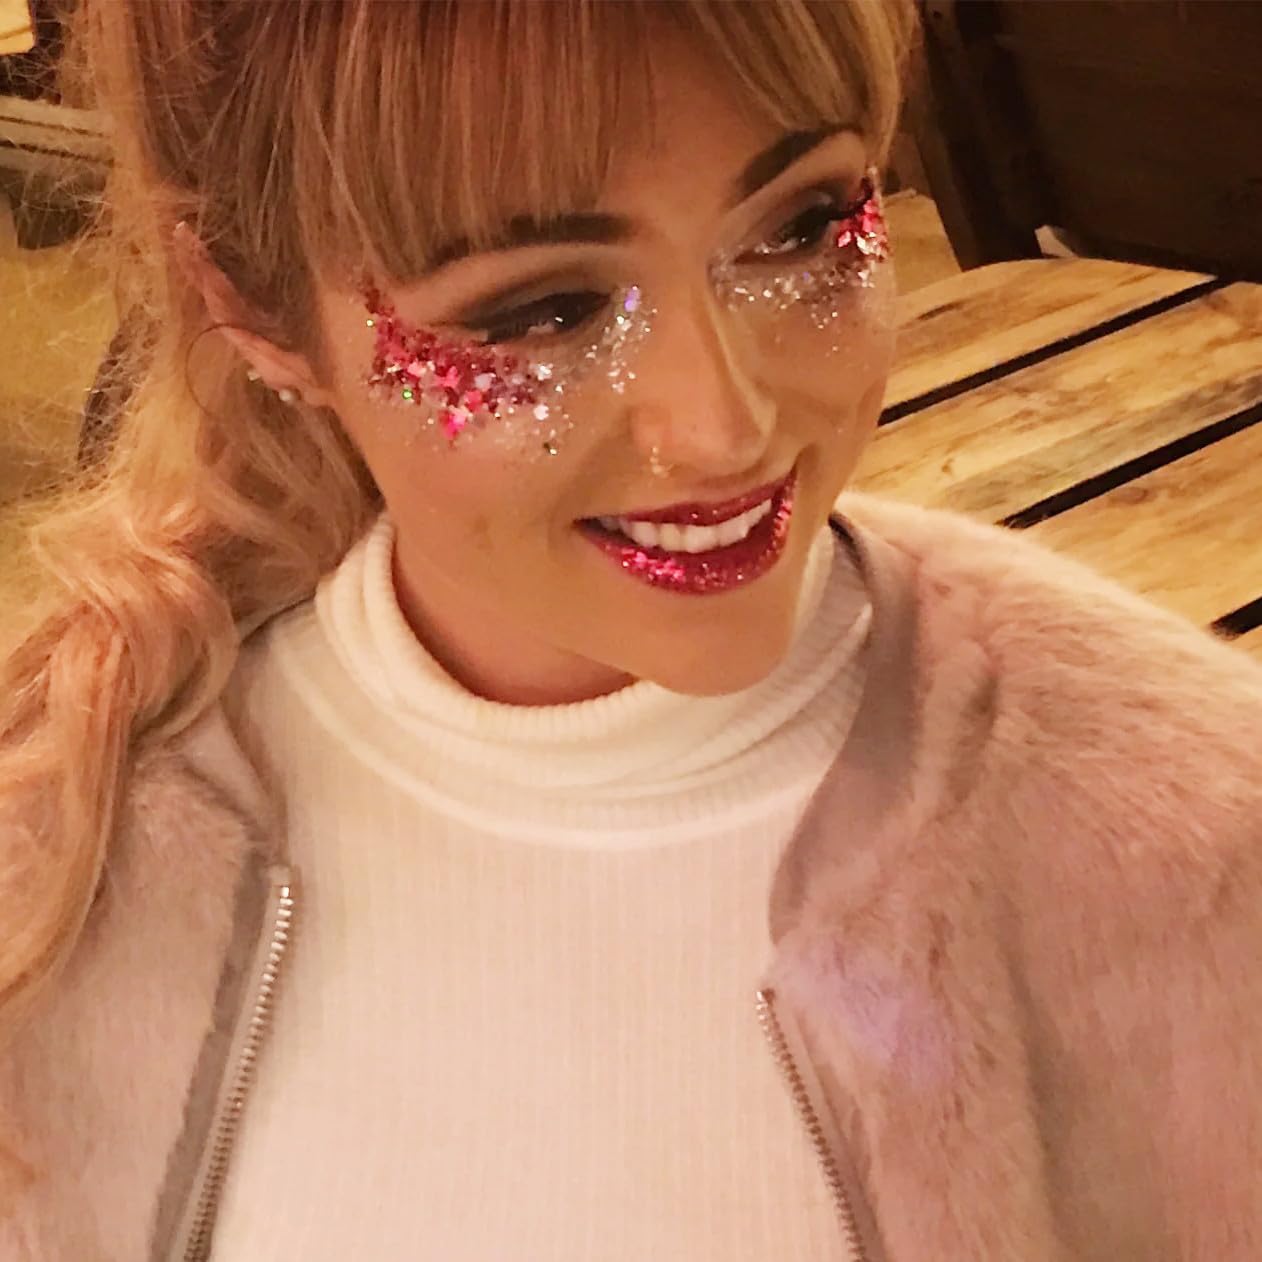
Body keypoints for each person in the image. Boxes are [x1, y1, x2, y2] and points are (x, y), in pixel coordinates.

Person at [2, 2, 1261, 1259]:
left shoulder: (1193, 856)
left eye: (802, 227)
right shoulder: (55, 877)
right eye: (541, 308)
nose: (723, 425)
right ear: (248, 307)